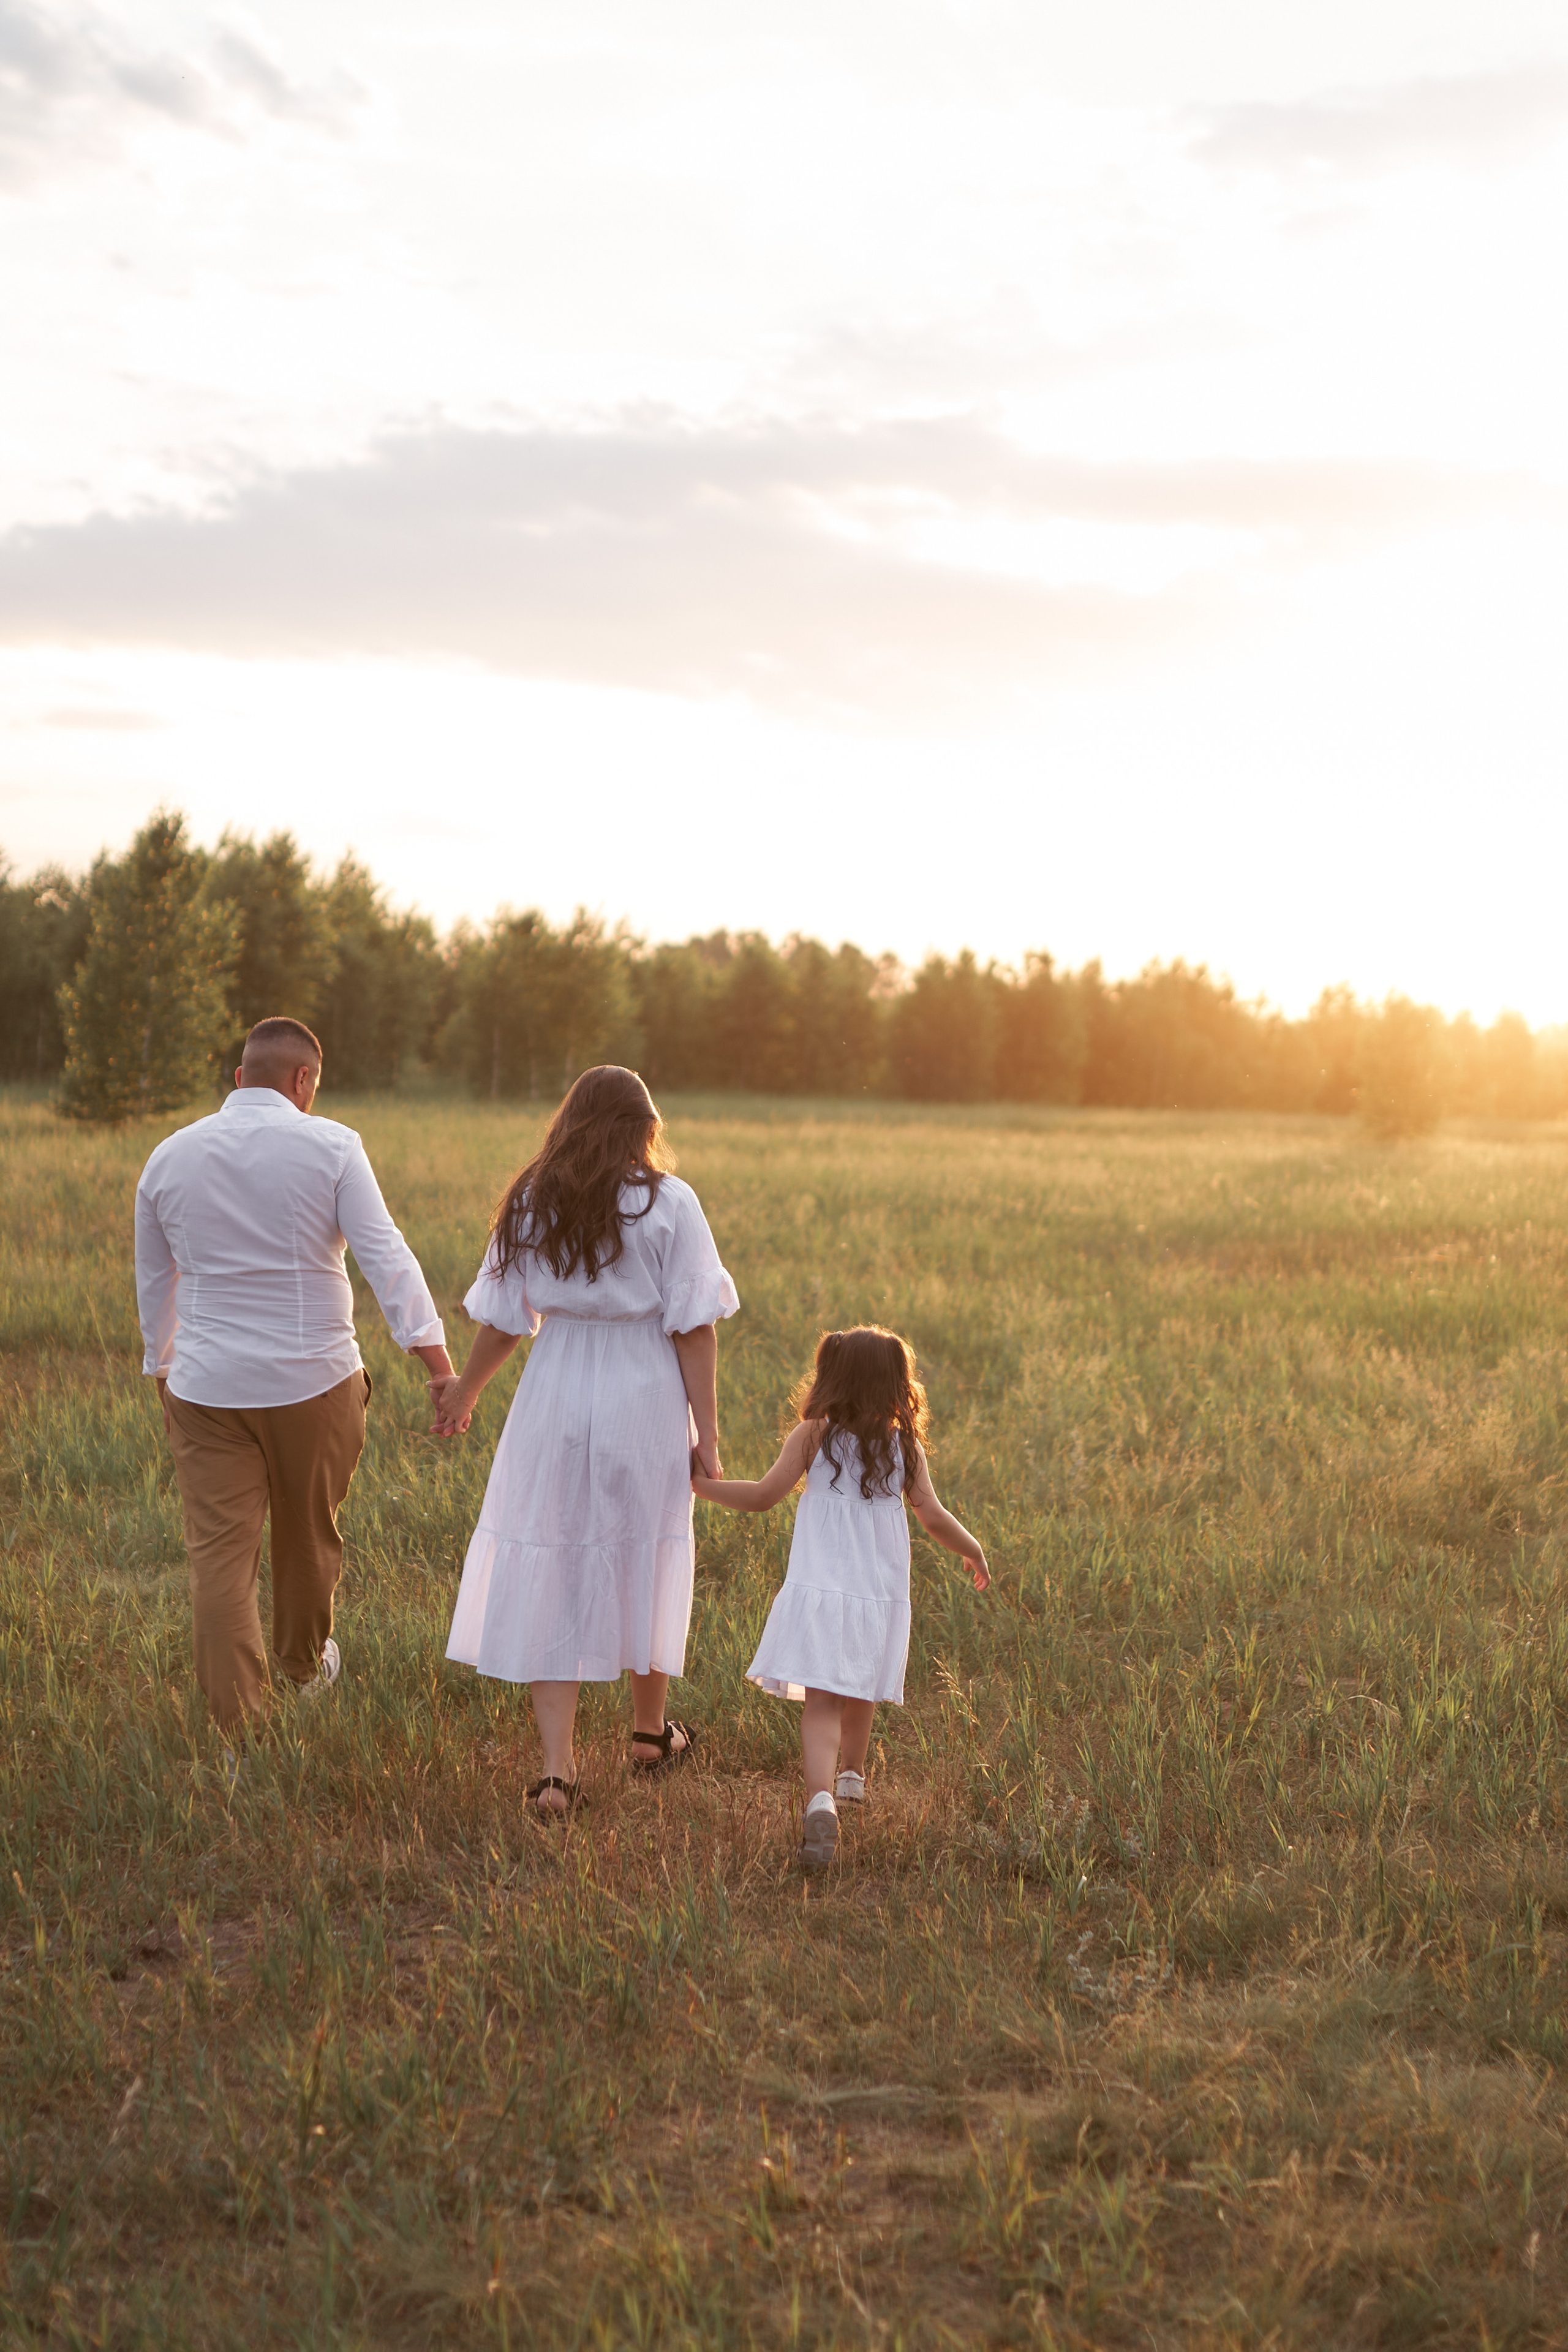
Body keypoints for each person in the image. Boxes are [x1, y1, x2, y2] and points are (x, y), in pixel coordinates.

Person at [435, 1065, 738, 1819]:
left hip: (557, 1386)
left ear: (569, 1119)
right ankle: (647, 1732)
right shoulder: (670, 1201)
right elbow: (694, 1328)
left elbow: (506, 1318)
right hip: (646, 1387)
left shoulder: (536, 1198)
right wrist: (708, 1434)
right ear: (643, 1126)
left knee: (557, 1554)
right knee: (646, 1543)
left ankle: (556, 1772)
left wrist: (466, 1392)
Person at [135, 1016, 454, 1729]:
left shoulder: (168, 1157)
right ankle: (303, 1668)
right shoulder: (334, 1147)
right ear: (304, 1080)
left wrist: (165, 1367)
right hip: (313, 1383)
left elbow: (155, 1282)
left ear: (240, 1078)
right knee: (308, 1536)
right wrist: (435, 1361)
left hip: (206, 1388)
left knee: (220, 1561)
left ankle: (236, 1736)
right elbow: (386, 1257)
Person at [692, 1325, 989, 1869]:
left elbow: (762, 1496)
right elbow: (933, 1516)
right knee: (861, 1682)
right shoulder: (906, 1449)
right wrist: (972, 1549)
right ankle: (853, 1777)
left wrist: (701, 1486)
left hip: (821, 1587)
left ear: (832, 1378)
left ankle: (820, 1798)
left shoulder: (813, 1436)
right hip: (877, 1594)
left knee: (823, 1698)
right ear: (898, 1386)